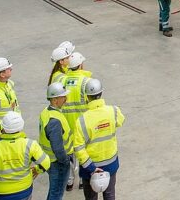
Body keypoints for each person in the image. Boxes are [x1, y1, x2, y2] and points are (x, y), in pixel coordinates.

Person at [0, 112, 50, 200]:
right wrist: (36, 170)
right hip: (24, 191)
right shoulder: (30, 145)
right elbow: (46, 163)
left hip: (1, 194)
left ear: (3, 128)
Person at [76, 79, 124, 200]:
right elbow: (121, 121)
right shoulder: (113, 111)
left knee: (91, 197)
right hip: (110, 164)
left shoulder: (81, 120)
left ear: (87, 96)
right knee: (109, 196)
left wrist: (91, 168)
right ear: (101, 93)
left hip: (90, 167)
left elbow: (78, 148)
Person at [40, 83, 82, 200]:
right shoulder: (54, 121)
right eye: (63, 97)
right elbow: (58, 148)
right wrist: (65, 161)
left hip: (51, 160)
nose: (66, 99)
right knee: (57, 193)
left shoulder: (46, 112)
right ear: (55, 100)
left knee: (54, 191)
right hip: (57, 162)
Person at [60, 52, 91, 191]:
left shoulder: (61, 81)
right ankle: (83, 181)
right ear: (80, 65)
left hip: (66, 124)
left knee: (69, 154)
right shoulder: (86, 82)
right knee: (83, 151)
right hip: (83, 124)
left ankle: (70, 180)